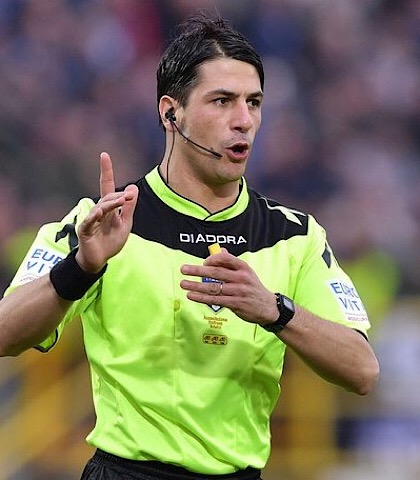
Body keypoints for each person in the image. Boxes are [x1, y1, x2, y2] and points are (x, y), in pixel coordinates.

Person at [0, 13, 379, 480]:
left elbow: (363, 371)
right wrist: (79, 268)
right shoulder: (102, 223)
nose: (244, 121)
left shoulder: (295, 236)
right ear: (170, 113)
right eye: (222, 101)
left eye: (254, 102)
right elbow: (4, 334)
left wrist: (274, 309)